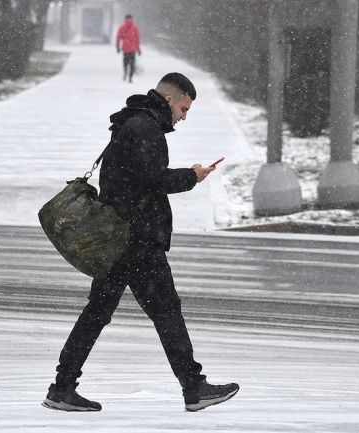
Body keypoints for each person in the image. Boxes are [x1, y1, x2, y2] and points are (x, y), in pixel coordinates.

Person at [42, 73, 239, 412]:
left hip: (118, 237)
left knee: (99, 313)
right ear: (167, 100)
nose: (183, 116)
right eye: (183, 107)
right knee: (166, 311)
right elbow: (152, 180)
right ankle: (194, 387)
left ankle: (62, 386)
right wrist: (192, 175)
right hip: (137, 239)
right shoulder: (146, 128)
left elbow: (130, 179)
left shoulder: (131, 122)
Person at [116, 14, 141, 82]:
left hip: (125, 49)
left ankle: (125, 73)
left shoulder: (122, 27)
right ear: (132, 19)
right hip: (132, 49)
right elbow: (137, 39)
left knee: (125, 63)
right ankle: (130, 77)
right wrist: (138, 49)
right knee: (132, 64)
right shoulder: (135, 28)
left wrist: (118, 47)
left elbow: (118, 38)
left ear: (125, 19)